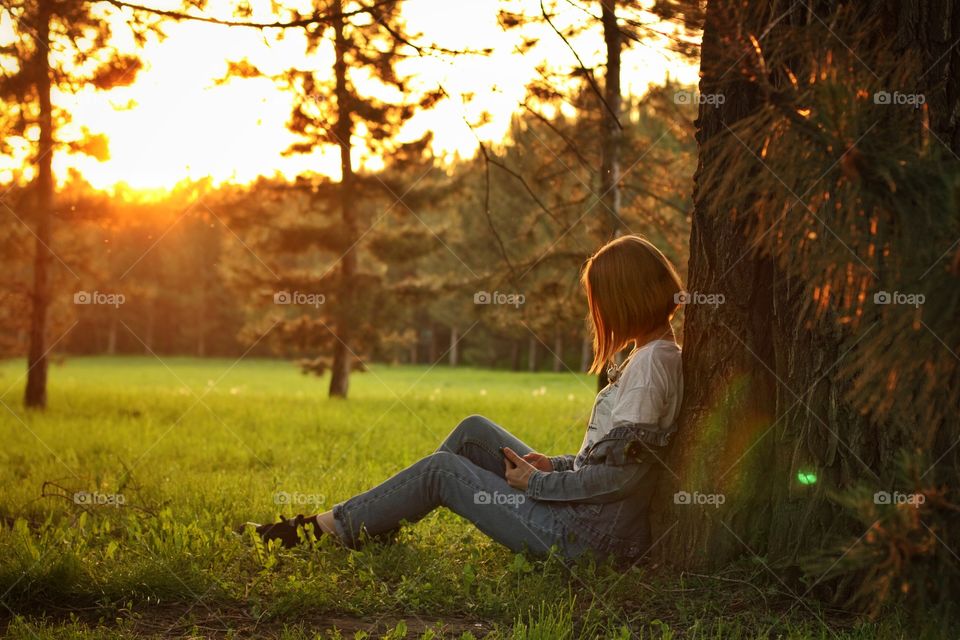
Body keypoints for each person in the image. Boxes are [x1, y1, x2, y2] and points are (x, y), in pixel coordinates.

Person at [245, 234, 684, 565]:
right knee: (474, 432)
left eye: (599, 301)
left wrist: (537, 484)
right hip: (588, 521)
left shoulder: (649, 367)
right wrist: (554, 465)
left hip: (587, 539)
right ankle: (373, 523)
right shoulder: (650, 355)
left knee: (441, 471)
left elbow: (623, 479)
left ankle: (324, 531)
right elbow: (604, 461)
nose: (596, 313)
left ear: (624, 299)